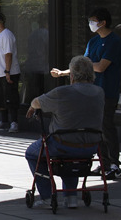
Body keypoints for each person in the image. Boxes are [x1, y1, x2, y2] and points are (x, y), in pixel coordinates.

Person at [50, 8, 121, 180]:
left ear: (103, 22)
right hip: (91, 93)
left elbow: (101, 66)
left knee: (107, 127)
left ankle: (114, 165)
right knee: (97, 129)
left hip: (107, 91)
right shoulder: (94, 41)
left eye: (93, 20)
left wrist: (89, 64)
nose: (90, 23)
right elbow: (83, 65)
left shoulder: (113, 41)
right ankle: (104, 164)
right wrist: (62, 73)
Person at [25, 56, 105, 209]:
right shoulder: (99, 92)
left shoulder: (62, 92)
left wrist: (32, 107)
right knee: (71, 157)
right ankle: (71, 196)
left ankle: (47, 196)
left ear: (72, 75)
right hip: (91, 145)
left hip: (63, 144)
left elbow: (37, 102)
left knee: (32, 153)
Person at [0, 12, 21, 133]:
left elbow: (8, 54)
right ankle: (4, 121)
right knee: (1, 99)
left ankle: (14, 122)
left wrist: (7, 71)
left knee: (11, 98)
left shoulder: (7, 35)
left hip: (9, 72)